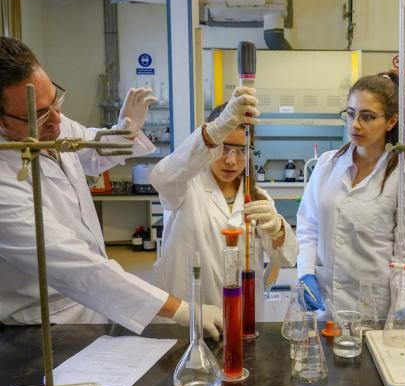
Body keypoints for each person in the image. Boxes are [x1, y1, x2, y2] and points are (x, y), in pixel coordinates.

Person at [0, 37, 222, 339]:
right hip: (39, 323)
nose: (56, 120)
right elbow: (72, 264)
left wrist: (125, 131)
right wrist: (178, 309)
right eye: (37, 114)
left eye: (55, 100)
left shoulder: (54, 123)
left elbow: (90, 149)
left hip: (92, 305)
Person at [150, 94, 298, 319]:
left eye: (241, 151)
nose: (231, 160)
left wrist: (277, 228)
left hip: (245, 316)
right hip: (190, 315)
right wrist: (212, 131)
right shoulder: (185, 184)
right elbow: (161, 177)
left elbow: (287, 258)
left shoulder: (258, 196)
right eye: (223, 147)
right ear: (210, 144)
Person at [296, 71, 405, 313]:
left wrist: (404, 309)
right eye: (351, 114)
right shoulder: (326, 164)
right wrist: (305, 273)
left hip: (372, 308)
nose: (355, 124)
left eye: (367, 117)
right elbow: (308, 227)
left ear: (391, 121)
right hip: (325, 304)